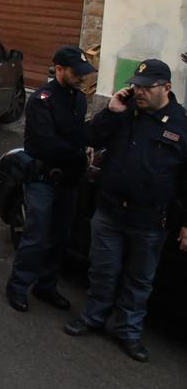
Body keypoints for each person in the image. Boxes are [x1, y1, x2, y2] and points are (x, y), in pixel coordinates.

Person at [64, 59, 187, 363]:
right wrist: (111, 110)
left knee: (139, 279)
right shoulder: (125, 112)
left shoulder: (181, 123)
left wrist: (185, 221)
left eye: (147, 87)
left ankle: (128, 332)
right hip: (110, 211)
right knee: (102, 270)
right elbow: (88, 137)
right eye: (136, 85)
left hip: (149, 219)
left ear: (167, 88)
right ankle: (93, 317)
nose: (139, 91)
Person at [6, 46, 96, 313]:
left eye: (84, 73)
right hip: (43, 179)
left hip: (68, 181)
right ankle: (18, 287)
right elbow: (45, 144)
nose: (82, 78)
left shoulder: (78, 99)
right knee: (36, 237)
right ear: (59, 70)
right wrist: (78, 153)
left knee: (60, 237)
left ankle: (46, 287)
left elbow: (79, 133)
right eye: (76, 72)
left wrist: (87, 144)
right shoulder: (42, 100)